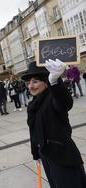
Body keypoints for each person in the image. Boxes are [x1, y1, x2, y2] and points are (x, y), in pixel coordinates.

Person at [21, 59, 86, 188]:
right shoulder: (33, 104)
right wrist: (35, 153)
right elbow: (33, 131)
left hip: (62, 157)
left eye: (35, 81)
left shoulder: (52, 97)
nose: (30, 86)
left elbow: (64, 103)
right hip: (46, 156)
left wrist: (55, 82)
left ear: (46, 82)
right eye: (28, 83)